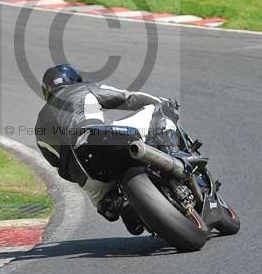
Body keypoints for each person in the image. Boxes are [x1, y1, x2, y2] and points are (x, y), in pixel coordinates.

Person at [34, 64, 179, 231]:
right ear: (74, 80)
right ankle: (172, 154)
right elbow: (127, 98)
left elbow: (57, 165)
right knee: (158, 109)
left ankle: (113, 204)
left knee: (106, 206)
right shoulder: (83, 88)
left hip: (85, 175)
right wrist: (161, 101)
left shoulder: (39, 125)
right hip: (100, 140)